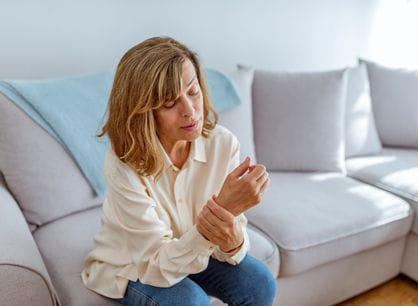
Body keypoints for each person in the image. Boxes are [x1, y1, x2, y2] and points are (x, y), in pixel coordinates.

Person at [81, 36, 276, 306]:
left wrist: (231, 231)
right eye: (170, 102)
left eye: (193, 91)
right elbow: (154, 266)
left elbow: (232, 251)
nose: (190, 111)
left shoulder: (223, 143)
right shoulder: (123, 163)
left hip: (189, 248)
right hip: (134, 264)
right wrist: (222, 211)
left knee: (259, 283)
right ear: (142, 111)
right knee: (190, 301)